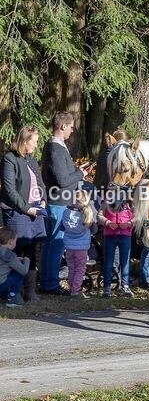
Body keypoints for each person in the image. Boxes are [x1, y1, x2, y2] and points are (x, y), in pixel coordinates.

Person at [40, 112, 90, 295]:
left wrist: (76, 171)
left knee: (50, 244)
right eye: (70, 127)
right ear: (62, 126)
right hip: (59, 201)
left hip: (57, 200)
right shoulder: (55, 148)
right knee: (57, 243)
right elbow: (62, 180)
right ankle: (50, 283)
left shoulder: (57, 147)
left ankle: (46, 280)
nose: (72, 130)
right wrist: (81, 175)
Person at [1, 126, 47, 302]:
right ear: (24, 141)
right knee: (17, 248)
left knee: (30, 249)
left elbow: (40, 184)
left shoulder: (32, 160)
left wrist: (43, 200)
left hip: (34, 211)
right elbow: (10, 190)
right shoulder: (9, 159)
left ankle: (30, 290)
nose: (35, 146)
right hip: (18, 212)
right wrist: (27, 208)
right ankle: (13, 291)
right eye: (34, 142)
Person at [61, 189, 96, 298]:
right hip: (82, 248)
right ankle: (76, 291)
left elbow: (62, 227)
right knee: (80, 269)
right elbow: (94, 230)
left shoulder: (66, 212)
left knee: (71, 268)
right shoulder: (87, 214)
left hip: (69, 247)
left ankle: (71, 287)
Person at [98, 187, 133, 297]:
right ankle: (107, 287)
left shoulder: (130, 202)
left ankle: (125, 286)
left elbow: (138, 216)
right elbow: (99, 215)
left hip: (125, 235)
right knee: (108, 261)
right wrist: (108, 222)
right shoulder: (106, 201)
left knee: (125, 261)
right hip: (110, 235)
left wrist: (129, 223)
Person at [0, 228, 30, 308]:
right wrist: (27, 260)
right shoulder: (9, 255)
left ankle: (5, 295)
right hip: (1, 284)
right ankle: (11, 298)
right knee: (19, 272)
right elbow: (24, 271)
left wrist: (16, 259)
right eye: (15, 241)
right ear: (10, 242)